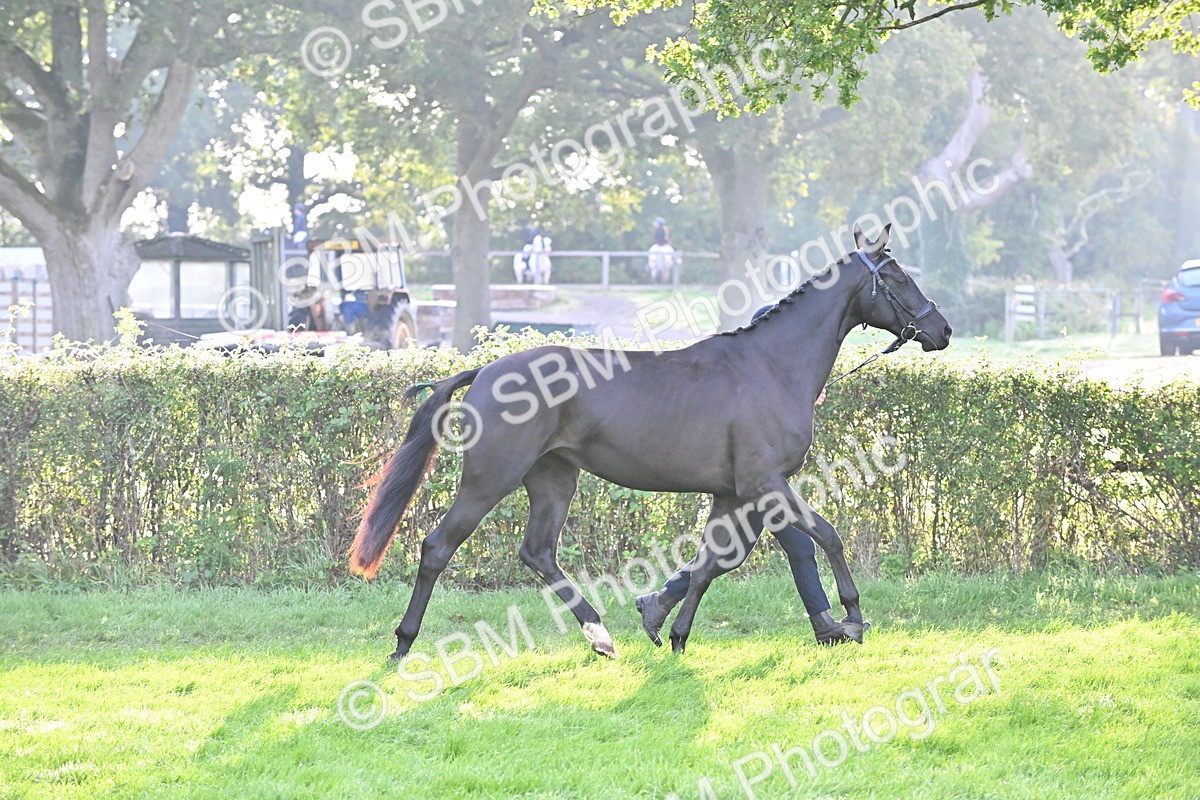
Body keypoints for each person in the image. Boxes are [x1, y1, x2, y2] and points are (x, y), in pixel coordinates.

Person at [634, 305, 853, 646]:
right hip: (756, 484)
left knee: (735, 554)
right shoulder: (758, 382)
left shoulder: (775, 379)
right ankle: (824, 627)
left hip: (761, 482)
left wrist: (807, 397)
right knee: (788, 547)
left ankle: (659, 601)